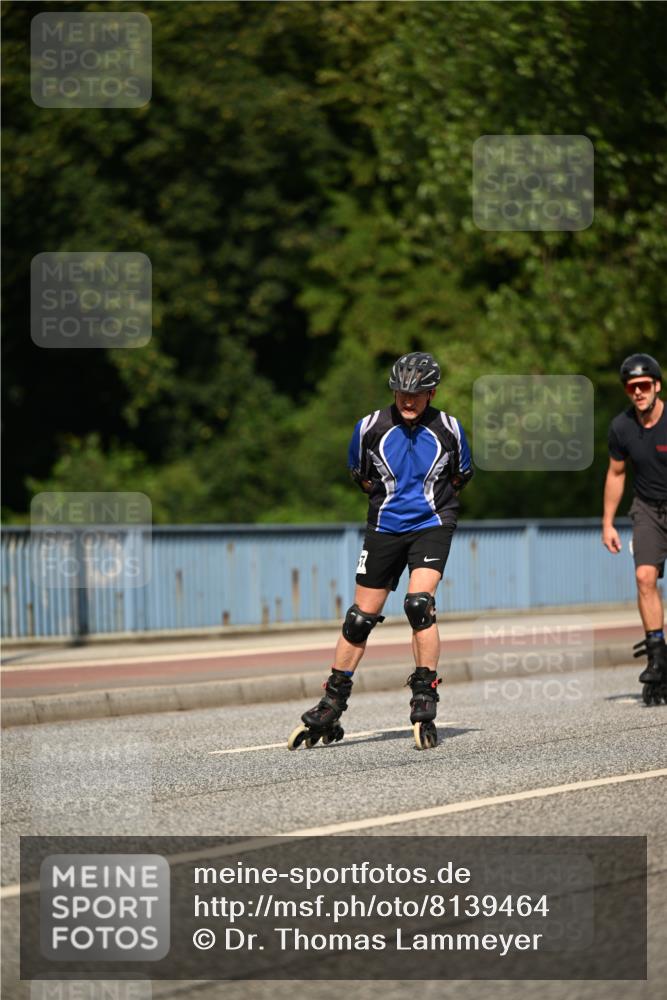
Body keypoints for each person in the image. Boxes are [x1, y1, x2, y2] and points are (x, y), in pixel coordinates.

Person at [288, 351, 473, 750]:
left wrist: (428, 505)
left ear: (432, 392)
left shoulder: (450, 429)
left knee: (419, 604)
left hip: (432, 523)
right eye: (401, 392)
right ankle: (332, 702)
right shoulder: (370, 427)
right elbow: (362, 476)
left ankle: (425, 693)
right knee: (359, 619)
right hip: (384, 527)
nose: (408, 400)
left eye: (417, 393)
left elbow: (460, 477)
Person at [603, 353, 667, 702]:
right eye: (632, 387)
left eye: (644, 385)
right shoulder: (622, 427)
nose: (639, 392)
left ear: (656, 386)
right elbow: (616, 474)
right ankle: (658, 659)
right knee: (645, 578)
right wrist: (608, 522)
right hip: (647, 510)